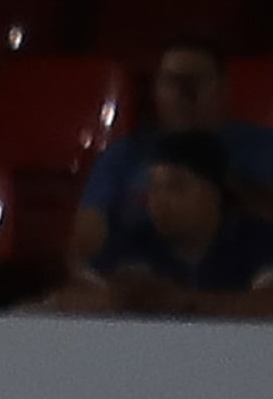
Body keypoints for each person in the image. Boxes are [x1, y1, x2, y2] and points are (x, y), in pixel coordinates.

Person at [73, 42, 273, 268]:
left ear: (223, 88)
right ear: (156, 91)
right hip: (141, 285)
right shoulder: (124, 154)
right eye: (173, 81)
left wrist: (227, 191)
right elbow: (85, 243)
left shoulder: (264, 148)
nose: (186, 94)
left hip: (244, 281)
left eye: (198, 81)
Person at [39, 130, 273, 319]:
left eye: (176, 187)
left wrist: (183, 301)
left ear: (215, 194)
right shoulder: (134, 242)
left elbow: (266, 304)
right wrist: (120, 298)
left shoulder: (257, 239)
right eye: (154, 188)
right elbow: (80, 295)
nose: (159, 201)